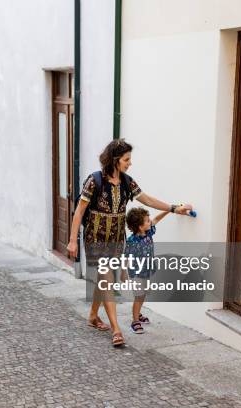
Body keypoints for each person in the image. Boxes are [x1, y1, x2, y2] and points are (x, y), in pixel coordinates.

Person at [67, 139, 193, 347]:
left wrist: (172, 208)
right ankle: (116, 330)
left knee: (104, 279)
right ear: (115, 160)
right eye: (126, 159)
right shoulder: (94, 181)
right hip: (95, 240)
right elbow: (79, 211)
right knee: (106, 279)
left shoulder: (127, 182)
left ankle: (92, 315)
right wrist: (73, 240)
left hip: (116, 241)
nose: (129, 163)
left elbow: (148, 201)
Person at [124, 206, 189, 334]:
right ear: (140, 226)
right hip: (137, 274)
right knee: (139, 296)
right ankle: (135, 321)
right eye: (147, 221)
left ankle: (138, 313)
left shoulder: (148, 232)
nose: (150, 222)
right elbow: (126, 258)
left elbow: (157, 219)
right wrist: (123, 273)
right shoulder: (132, 241)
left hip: (147, 272)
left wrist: (169, 210)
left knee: (143, 295)